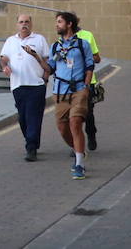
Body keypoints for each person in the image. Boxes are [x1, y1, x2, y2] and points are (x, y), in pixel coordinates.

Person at [45, 10, 94, 180]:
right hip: (60, 91)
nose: (56, 25)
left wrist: (86, 86)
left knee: (75, 123)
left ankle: (79, 163)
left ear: (69, 24)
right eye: (57, 22)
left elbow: (90, 66)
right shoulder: (55, 46)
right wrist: (36, 58)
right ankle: (78, 149)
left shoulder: (82, 44)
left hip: (79, 88)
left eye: (59, 22)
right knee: (62, 127)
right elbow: (50, 68)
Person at [0, 13, 51, 161]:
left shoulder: (39, 39)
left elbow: (48, 63)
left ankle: (31, 147)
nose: (24, 24)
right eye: (21, 22)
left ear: (31, 24)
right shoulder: (10, 41)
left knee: (33, 116)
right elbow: (3, 59)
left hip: (36, 85)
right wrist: (4, 67)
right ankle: (32, 140)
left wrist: (45, 80)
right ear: (17, 24)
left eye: (27, 21)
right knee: (23, 118)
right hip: (18, 85)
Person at [75, 19, 103, 152]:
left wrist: (85, 56)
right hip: (71, 83)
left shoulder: (87, 35)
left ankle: (91, 134)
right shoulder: (63, 38)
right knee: (74, 115)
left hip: (88, 82)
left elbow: (97, 58)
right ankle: (76, 144)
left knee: (88, 113)